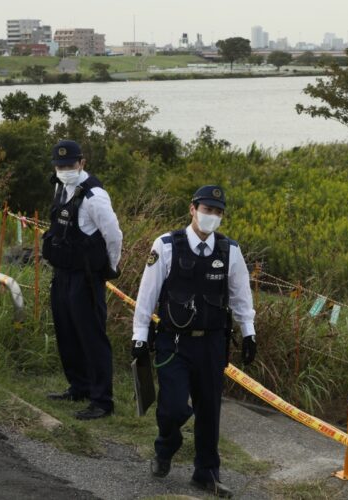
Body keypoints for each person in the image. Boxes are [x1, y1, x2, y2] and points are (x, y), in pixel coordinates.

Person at [131, 185, 256, 499]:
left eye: (217, 212)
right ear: (192, 209)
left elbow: (242, 296)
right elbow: (147, 295)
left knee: (210, 410)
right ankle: (167, 446)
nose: (210, 216)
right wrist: (139, 336)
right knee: (172, 406)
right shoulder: (166, 245)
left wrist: (249, 332)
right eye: (206, 209)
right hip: (173, 341)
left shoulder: (229, 251)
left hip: (212, 343)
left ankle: (206, 473)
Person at [43, 139, 123, 420]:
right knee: (67, 333)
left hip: (85, 277)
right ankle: (79, 387)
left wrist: (110, 267)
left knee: (91, 338)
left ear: (82, 163)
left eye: (70, 165)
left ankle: (102, 400)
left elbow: (114, 235)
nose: (65, 169)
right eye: (60, 165)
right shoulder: (61, 187)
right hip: (62, 273)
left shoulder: (94, 196)